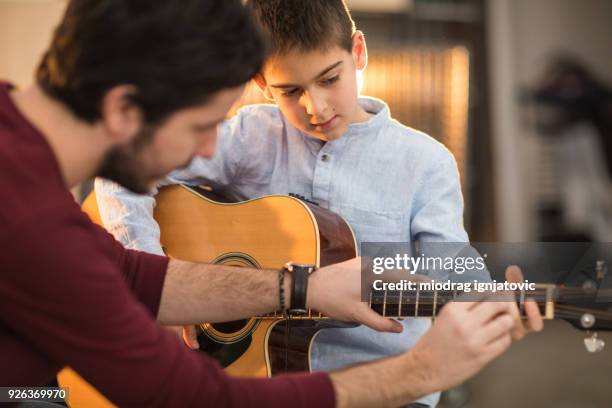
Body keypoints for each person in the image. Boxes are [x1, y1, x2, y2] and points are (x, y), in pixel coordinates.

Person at [0, 1, 542, 407]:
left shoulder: (36, 195)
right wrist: (420, 372)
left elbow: (128, 273)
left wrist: (302, 288)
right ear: (124, 109)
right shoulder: (33, 228)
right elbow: (190, 396)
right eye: (201, 126)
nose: (212, 150)